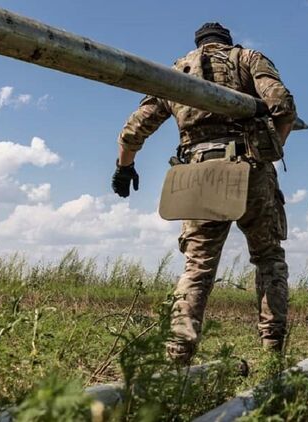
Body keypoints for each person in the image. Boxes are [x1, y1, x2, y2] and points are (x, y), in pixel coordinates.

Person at [111, 22, 297, 363]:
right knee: (268, 258)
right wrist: (272, 149)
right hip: (251, 167)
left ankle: (178, 354)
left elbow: (133, 129)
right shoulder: (247, 58)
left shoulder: (176, 73)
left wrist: (125, 167)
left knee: (197, 267)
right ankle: (272, 350)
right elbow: (282, 105)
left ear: (198, 44)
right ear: (227, 41)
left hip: (199, 172)